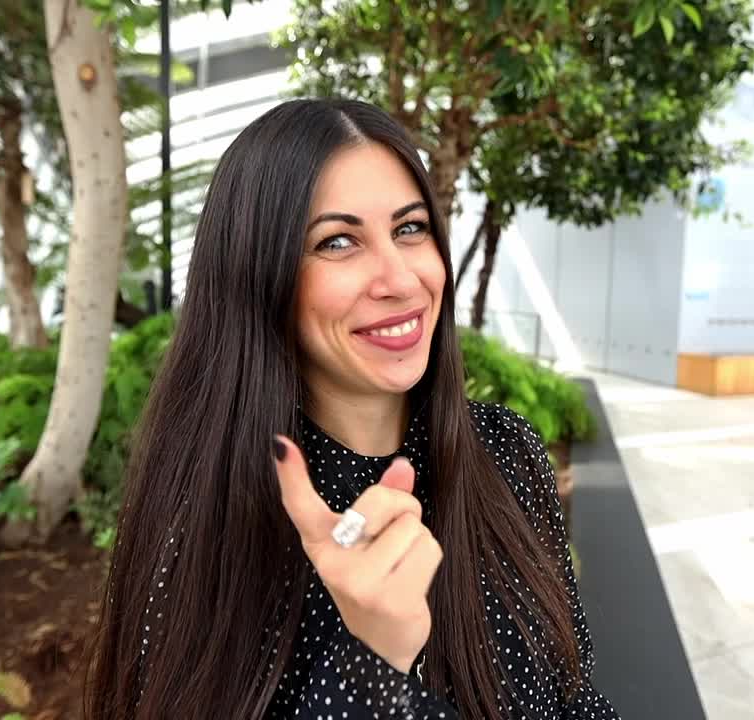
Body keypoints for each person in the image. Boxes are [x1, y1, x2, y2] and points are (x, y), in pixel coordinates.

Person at [87, 99, 621, 720]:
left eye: (410, 229)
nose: (398, 279)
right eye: (338, 242)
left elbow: (576, 691)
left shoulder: (506, 451)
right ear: (260, 276)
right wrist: (372, 663)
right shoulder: (211, 522)